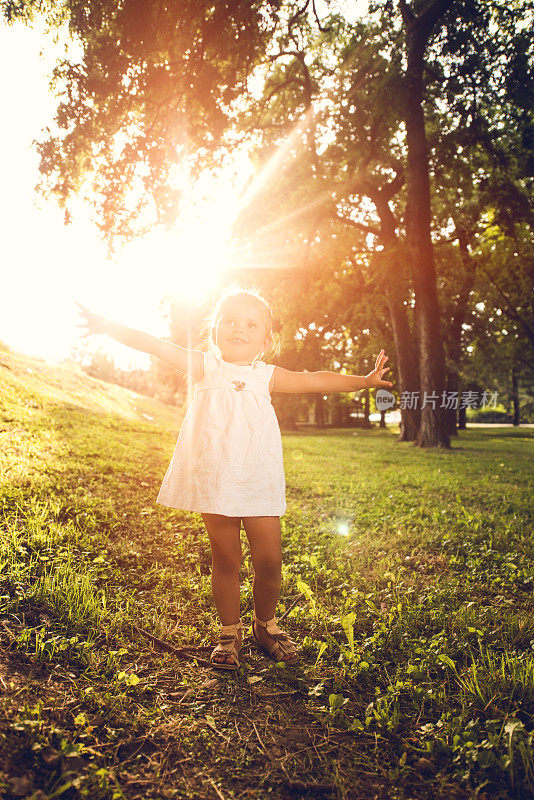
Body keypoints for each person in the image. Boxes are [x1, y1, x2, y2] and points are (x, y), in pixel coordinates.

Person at [76, 288, 392, 670]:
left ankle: (265, 624)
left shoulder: (268, 376)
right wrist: (105, 325)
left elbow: (316, 381)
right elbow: (155, 345)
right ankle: (230, 631)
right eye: (229, 321)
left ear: (266, 338)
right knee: (226, 558)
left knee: (270, 560)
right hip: (216, 481)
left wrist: (364, 380)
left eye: (250, 323)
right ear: (214, 331)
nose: (238, 329)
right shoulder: (206, 366)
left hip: (257, 479)